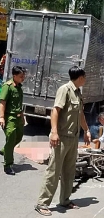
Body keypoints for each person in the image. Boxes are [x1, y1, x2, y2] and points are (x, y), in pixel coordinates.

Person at [34, 66, 91, 216]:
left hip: (72, 138)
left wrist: (86, 130)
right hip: (61, 138)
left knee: (69, 171)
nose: (85, 79)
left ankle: (65, 200)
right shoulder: (65, 90)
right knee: (53, 171)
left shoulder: (78, 93)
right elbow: (55, 110)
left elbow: (80, 115)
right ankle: (42, 203)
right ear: (80, 77)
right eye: (84, 77)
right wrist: (54, 132)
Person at [0, 66, 26, 175]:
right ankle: (8, 165)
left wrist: (23, 117)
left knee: (19, 137)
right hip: (10, 117)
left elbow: (19, 104)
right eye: (21, 76)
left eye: (23, 76)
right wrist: (1, 117)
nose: (23, 78)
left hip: (19, 117)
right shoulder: (7, 87)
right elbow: (2, 102)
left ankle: (5, 150)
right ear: (14, 76)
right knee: (10, 139)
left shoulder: (19, 87)